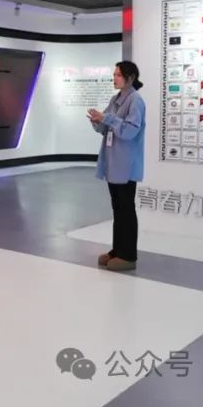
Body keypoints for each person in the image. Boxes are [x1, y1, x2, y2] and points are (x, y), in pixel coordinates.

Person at [87, 61, 146, 272]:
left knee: (126, 210)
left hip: (126, 165)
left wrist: (107, 118)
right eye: (114, 74)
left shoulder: (135, 100)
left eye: (118, 75)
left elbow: (130, 131)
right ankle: (118, 250)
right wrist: (97, 121)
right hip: (113, 164)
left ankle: (128, 256)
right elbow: (106, 126)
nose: (115, 78)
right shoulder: (115, 99)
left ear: (130, 78)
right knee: (118, 210)